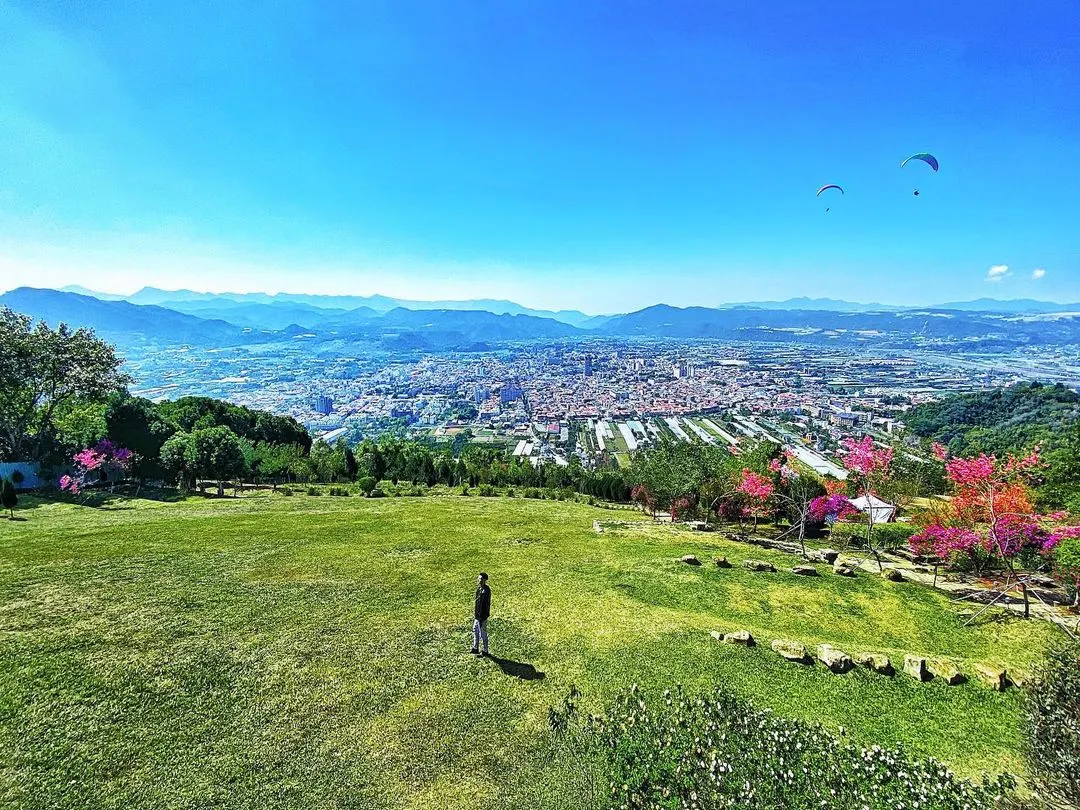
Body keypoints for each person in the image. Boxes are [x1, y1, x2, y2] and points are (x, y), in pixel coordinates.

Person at [471, 572, 491, 656]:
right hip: (477, 616)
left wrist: (482, 618)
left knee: (483, 633)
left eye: (481, 579)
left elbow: (485, 605)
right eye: (479, 578)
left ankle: (485, 650)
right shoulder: (479, 589)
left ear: (485, 580)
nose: (479, 580)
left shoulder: (486, 591)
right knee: (475, 630)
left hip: (482, 617)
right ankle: (475, 648)